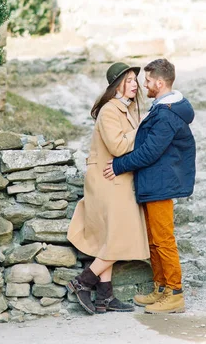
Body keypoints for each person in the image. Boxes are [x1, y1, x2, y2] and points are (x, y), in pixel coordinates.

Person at [103, 58, 196, 314]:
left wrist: (119, 166)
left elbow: (149, 152)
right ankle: (161, 288)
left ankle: (175, 293)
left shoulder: (166, 115)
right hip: (153, 182)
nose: (144, 85)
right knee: (154, 240)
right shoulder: (161, 109)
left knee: (164, 240)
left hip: (161, 183)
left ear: (159, 82)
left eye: (147, 80)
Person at [67, 62, 150, 315]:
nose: (135, 84)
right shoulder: (110, 111)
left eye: (135, 79)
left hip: (117, 181)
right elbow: (117, 146)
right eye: (129, 80)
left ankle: (104, 297)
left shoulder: (125, 110)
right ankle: (82, 281)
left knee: (109, 237)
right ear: (117, 85)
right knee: (120, 237)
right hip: (107, 181)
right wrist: (141, 128)